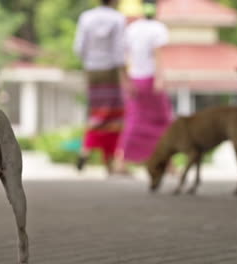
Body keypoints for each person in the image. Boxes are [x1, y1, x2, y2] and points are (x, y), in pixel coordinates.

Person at [114, 2, 173, 173]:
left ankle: (121, 162)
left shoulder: (131, 29)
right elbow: (157, 55)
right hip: (150, 79)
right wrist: (160, 78)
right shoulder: (158, 28)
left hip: (134, 79)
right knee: (163, 120)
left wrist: (125, 80)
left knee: (133, 120)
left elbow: (123, 58)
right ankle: (167, 163)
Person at [73, 0, 129, 175]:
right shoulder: (118, 18)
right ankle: (105, 159)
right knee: (113, 116)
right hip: (111, 70)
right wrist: (125, 75)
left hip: (92, 69)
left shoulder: (86, 17)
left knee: (97, 113)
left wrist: (89, 62)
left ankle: (89, 151)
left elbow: (79, 47)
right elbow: (120, 49)